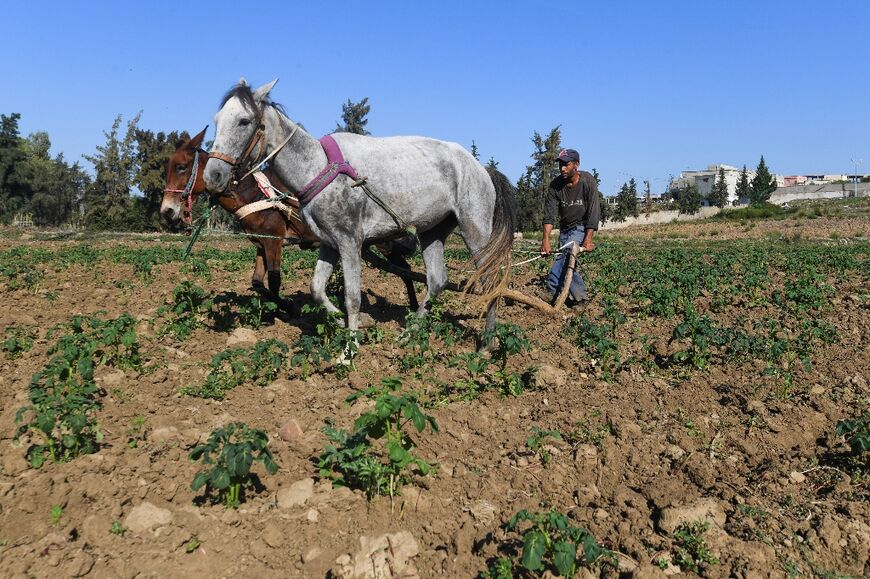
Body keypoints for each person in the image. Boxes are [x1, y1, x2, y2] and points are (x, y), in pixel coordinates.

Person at [540, 148, 600, 304]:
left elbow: (594, 211)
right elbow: (549, 215)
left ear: (576, 165)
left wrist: (588, 239)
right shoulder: (555, 186)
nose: (562, 168)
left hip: (581, 227)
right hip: (564, 229)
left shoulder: (588, 181)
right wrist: (545, 240)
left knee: (566, 256)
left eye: (566, 164)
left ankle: (552, 289)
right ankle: (581, 299)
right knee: (568, 263)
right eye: (561, 164)